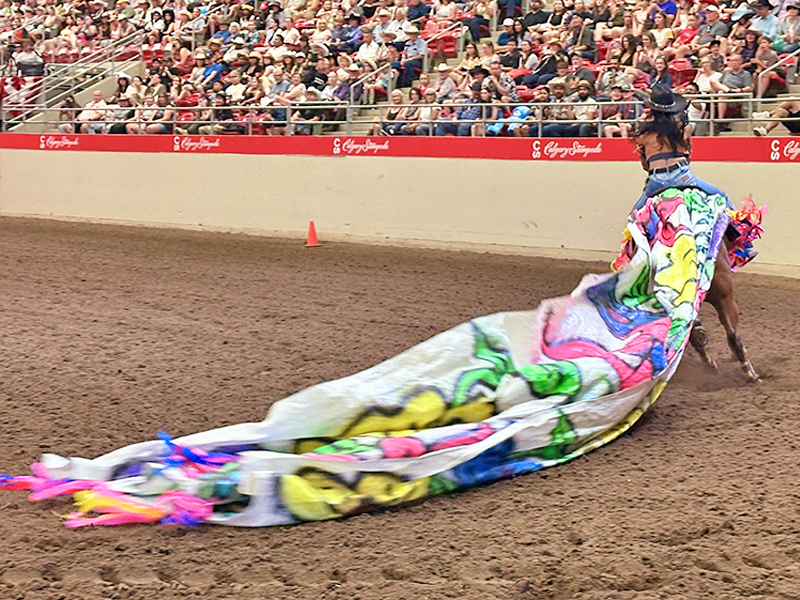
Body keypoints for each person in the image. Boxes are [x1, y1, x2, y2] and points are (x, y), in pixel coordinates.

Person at [631, 84, 732, 212]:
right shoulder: (682, 128)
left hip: (657, 179)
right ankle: (740, 228)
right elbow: (688, 155)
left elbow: (646, 166)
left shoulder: (644, 135)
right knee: (721, 197)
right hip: (681, 175)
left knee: (634, 217)